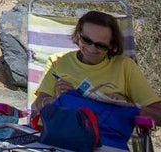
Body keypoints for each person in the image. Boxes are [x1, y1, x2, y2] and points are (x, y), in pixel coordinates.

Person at [32, 11, 161, 126]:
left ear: (111, 45)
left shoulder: (124, 67)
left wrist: (128, 106)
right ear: (78, 35)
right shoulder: (58, 62)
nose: (91, 49)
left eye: (101, 45)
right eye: (86, 40)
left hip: (105, 140)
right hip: (59, 135)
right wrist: (58, 100)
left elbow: (158, 114)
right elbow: (36, 107)